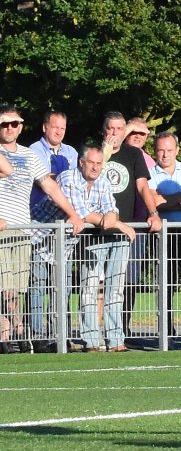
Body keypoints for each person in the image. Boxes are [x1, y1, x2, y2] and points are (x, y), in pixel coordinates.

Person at [34, 145, 136, 352]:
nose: (96, 167)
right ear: (81, 163)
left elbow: (110, 207)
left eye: (99, 163)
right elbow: (82, 214)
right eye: (91, 163)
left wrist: (111, 216)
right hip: (40, 239)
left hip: (67, 243)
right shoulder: (67, 178)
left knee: (63, 290)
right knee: (38, 289)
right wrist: (120, 224)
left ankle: (68, 340)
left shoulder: (103, 181)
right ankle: (37, 339)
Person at [0, 105, 83, 353]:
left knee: (18, 288)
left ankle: (13, 333)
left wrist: (72, 213)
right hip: (2, 230)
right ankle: (10, 334)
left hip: (22, 229)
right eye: (5, 124)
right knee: (6, 288)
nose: (10, 128)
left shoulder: (29, 155)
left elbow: (50, 186)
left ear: (21, 126)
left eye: (15, 124)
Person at [100, 111, 162, 343]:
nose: (115, 133)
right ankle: (91, 338)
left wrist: (153, 213)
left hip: (125, 228)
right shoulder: (95, 153)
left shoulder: (134, 154)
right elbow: (89, 178)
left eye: (119, 129)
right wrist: (105, 154)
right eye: (111, 129)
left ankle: (116, 337)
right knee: (92, 286)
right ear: (104, 130)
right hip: (97, 228)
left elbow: (143, 187)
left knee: (118, 286)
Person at [148, 132, 181, 337]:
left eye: (169, 150)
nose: (165, 154)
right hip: (163, 234)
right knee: (165, 282)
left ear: (177, 150)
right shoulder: (149, 173)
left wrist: (164, 200)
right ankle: (166, 327)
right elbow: (153, 203)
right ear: (154, 151)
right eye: (161, 150)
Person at [28, 110, 79, 208]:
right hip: (41, 208)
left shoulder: (71, 152)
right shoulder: (34, 150)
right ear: (44, 127)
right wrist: (66, 179)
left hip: (68, 207)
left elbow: (76, 181)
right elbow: (44, 179)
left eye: (62, 128)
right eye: (55, 127)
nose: (59, 132)